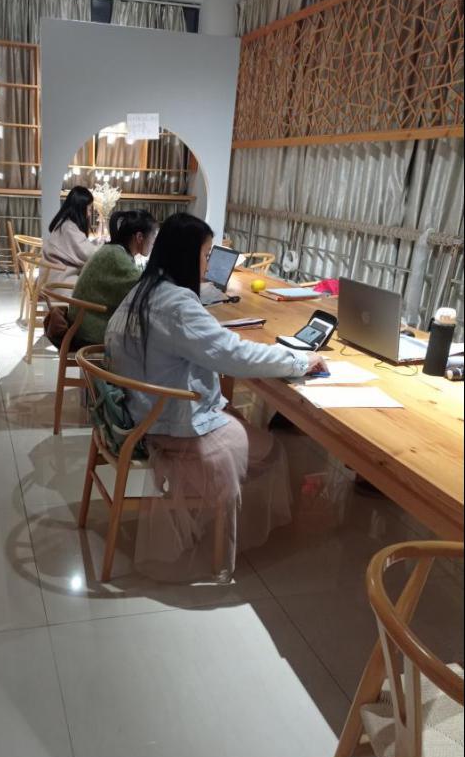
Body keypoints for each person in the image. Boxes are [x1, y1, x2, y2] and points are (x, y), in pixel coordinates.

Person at [105, 213, 327, 582]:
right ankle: (233, 534)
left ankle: (215, 519)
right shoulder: (177, 304)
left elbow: (218, 349)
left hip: (138, 412)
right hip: (165, 424)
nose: (208, 265)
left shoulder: (144, 290)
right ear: (187, 254)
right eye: (206, 255)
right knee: (271, 451)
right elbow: (233, 355)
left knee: (240, 419)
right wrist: (299, 360)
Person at [67, 209, 157, 346]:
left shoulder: (114, 251)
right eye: (153, 236)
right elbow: (143, 288)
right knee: (152, 335)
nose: (154, 242)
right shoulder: (116, 257)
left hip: (81, 321)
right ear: (139, 237)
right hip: (87, 329)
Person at [42, 186, 101, 287]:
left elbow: (81, 247)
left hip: (51, 277)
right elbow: (88, 253)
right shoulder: (69, 227)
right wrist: (104, 246)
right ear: (80, 208)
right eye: (89, 209)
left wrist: (97, 243)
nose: (89, 214)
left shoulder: (64, 223)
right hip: (59, 282)